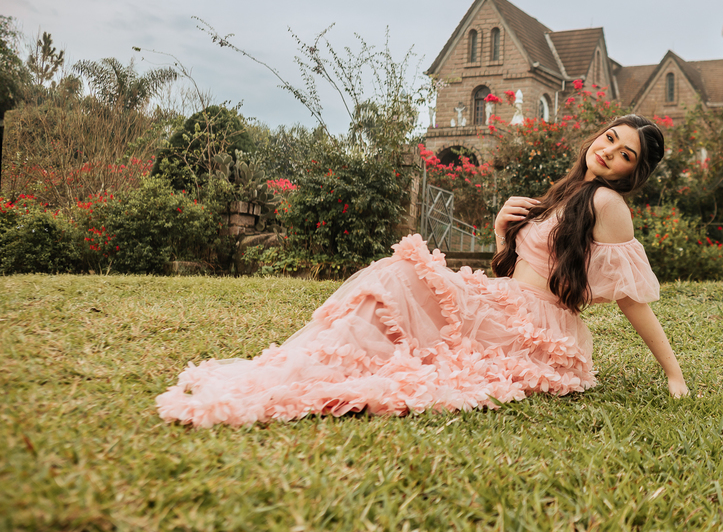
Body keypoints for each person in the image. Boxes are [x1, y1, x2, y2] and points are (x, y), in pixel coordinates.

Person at [157, 114, 688, 427]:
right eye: (610, 138)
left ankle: (325, 368)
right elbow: (531, 262)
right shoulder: (568, 192)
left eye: (624, 154)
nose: (609, 150)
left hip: (535, 326)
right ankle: (316, 362)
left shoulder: (608, 205)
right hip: (506, 302)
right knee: (394, 276)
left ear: (633, 172)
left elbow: (630, 299)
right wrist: (504, 229)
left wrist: (673, 374)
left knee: (399, 277)